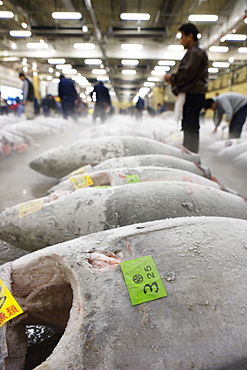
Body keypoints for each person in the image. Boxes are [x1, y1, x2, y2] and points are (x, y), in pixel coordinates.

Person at [164, 23, 208, 153]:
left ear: (190, 36)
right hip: (194, 93)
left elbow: (187, 73)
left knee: (190, 125)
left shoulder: (195, 52)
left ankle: (191, 154)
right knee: (189, 125)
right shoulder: (193, 52)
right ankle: (189, 152)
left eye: (182, 36)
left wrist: (172, 78)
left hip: (193, 94)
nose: (180, 40)